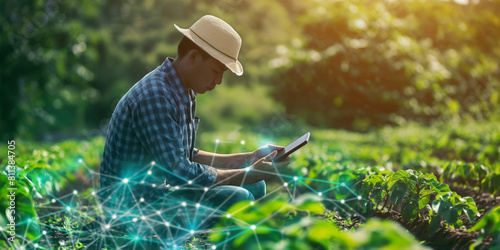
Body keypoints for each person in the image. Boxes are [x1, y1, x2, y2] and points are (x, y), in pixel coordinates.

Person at [98, 15, 291, 245]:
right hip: (132, 208)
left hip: (159, 193)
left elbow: (187, 155)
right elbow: (181, 172)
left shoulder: (183, 90)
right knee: (239, 197)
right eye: (216, 70)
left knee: (255, 184)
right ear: (194, 57)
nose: (219, 81)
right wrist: (247, 172)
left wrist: (249, 158)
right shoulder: (156, 96)